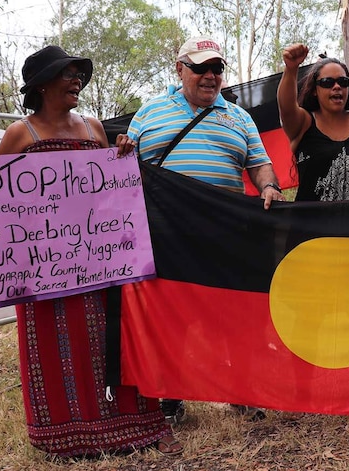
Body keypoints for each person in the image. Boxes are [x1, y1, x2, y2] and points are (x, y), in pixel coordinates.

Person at [0, 46, 182, 457]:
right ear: (42, 85)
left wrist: (124, 157)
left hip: (99, 263)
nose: (77, 80)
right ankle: (66, 435)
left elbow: (110, 194)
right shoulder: (20, 135)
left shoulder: (95, 129)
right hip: (46, 271)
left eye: (80, 73)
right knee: (56, 343)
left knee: (113, 338)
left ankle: (139, 425)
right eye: (68, 73)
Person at [116, 35, 282, 424]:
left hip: (227, 232)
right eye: (201, 68)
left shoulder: (240, 117)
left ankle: (241, 391)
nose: (210, 76)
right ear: (180, 69)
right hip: (166, 234)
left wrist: (270, 186)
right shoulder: (149, 112)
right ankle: (170, 398)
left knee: (236, 312)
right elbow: (126, 170)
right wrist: (122, 154)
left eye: (217, 69)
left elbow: (259, 164)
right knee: (171, 314)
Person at [276, 43, 349, 201]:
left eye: (343, 82)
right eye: (327, 82)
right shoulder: (303, 122)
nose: (337, 87)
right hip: (312, 223)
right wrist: (291, 69)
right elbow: (286, 107)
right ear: (314, 91)